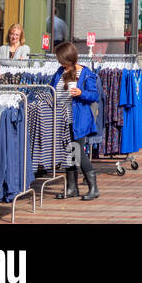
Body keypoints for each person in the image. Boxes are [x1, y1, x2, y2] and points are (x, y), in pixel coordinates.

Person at [50, 40, 101, 201]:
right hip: (62, 119)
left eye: (62, 60)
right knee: (69, 153)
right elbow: (50, 89)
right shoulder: (59, 72)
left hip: (79, 119)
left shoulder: (85, 73)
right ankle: (72, 188)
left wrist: (81, 93)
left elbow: (94, 95)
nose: (60, 63)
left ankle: (94, 187)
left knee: (78, 152)